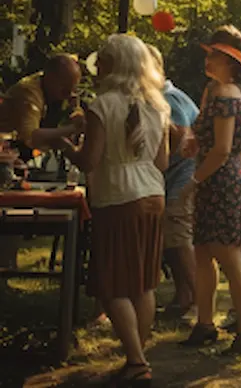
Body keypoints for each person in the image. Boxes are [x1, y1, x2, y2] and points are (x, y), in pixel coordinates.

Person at [62, 35, 170, 386]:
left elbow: (89, 161)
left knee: (112, 284)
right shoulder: (158, 105)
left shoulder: (101, 105)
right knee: (143, 282)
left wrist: (66, 144)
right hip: (153, 194)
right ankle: (140, 353)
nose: (97, 68)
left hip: (117, 197)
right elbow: (163, 160)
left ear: (113, 65)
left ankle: (136, 361)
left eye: (102, 61)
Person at [180, 28, 241, 356]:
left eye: (213, 53)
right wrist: (193, 143)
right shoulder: (217, 90)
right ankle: (205, 324)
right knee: (203, 254)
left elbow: (224, 149)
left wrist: (194, 180)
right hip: (221, 180)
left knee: (231, 260)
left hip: (223, 183)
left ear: (229, 60)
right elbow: (214, 141)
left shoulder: (228, 94)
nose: (207, 58)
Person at [0, 54, 84, 272]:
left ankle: (8, 265)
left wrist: (75, 110)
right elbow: (31, 136)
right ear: (51, 78)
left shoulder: (55, 92)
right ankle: (6, 265)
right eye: (65, 89)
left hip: (15, 156)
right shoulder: (29, 93)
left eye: (73, 89)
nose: (69, 94)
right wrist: (72, 130)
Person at [147, 46, 200, 320]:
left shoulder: (168, 98)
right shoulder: (164, 97)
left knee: (179, 239)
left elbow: (180, 137)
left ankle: (197, 303)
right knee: (172, 239)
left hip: (183, 177)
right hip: (175, 178)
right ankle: (184, 296)